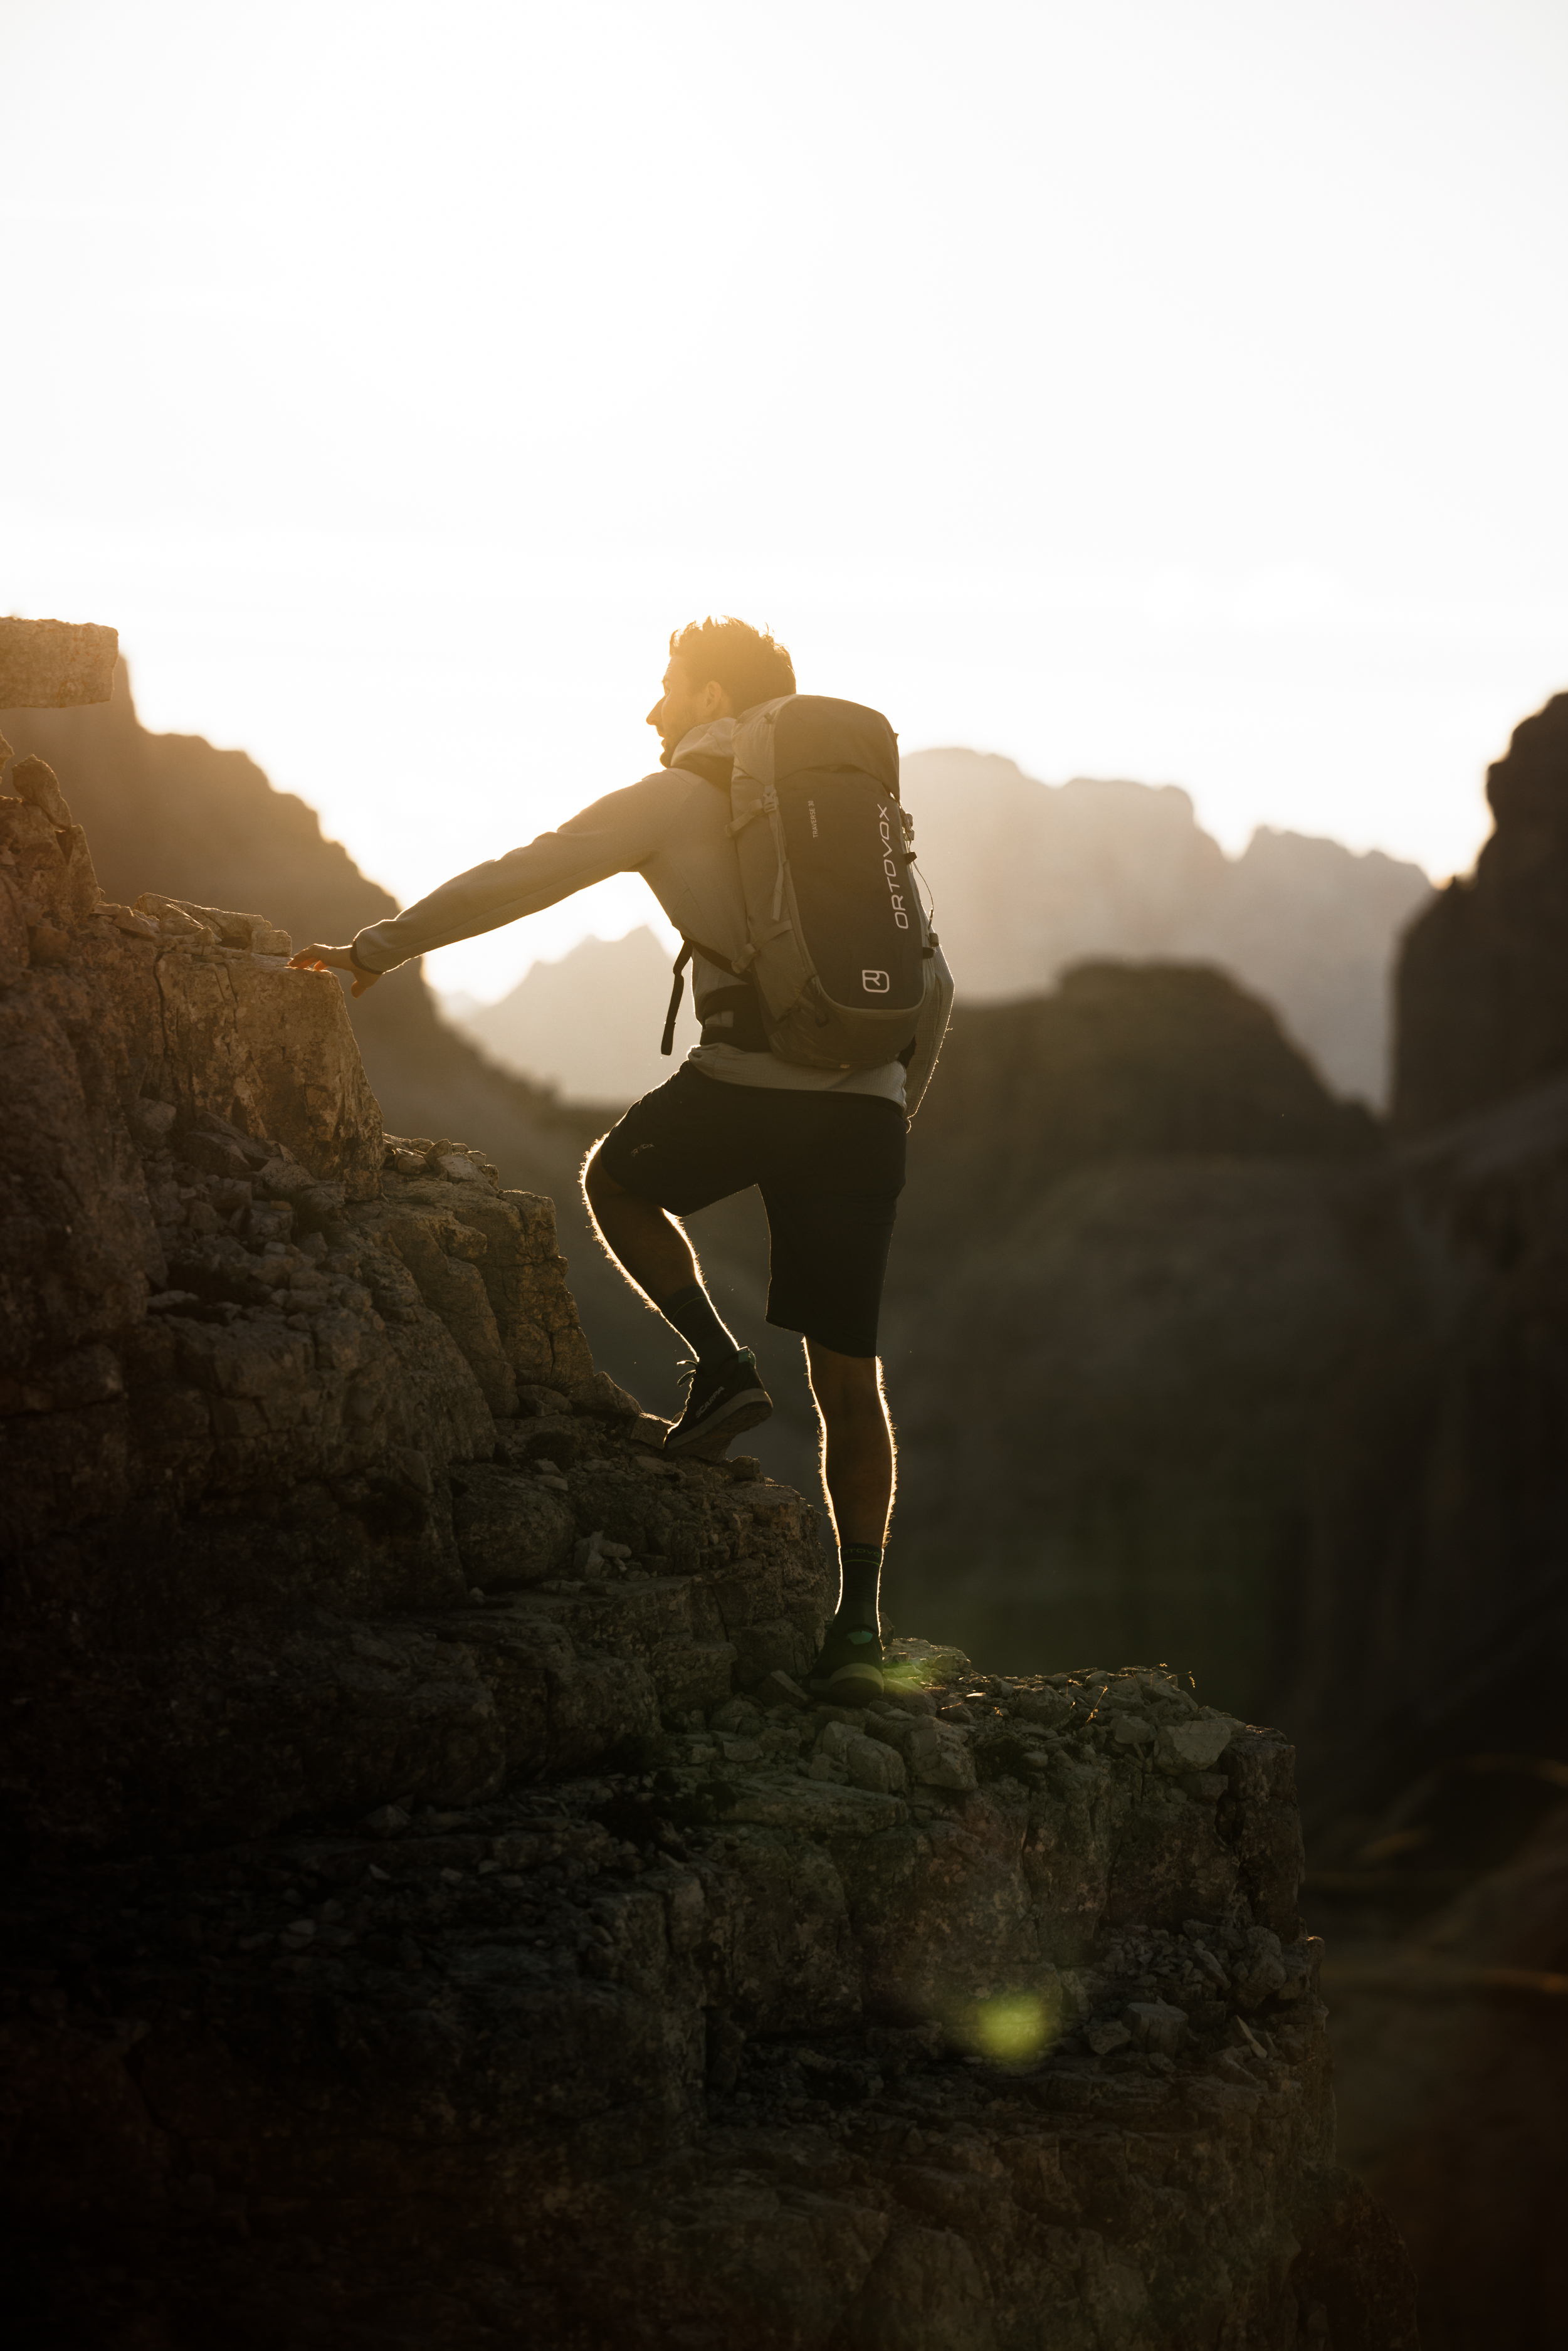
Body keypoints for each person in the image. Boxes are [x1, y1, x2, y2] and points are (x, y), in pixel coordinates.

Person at [288, 617, 952, 1703]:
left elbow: (525, 876)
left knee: (617, 1178)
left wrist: (378, 948)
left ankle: (722, 1366)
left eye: (667, 688)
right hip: (868, 1109)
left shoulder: (675, 798)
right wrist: (881, 1118)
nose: (651, 711)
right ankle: (860, 1629)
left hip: (745, 1084)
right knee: (850, 1380)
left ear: (710, 698)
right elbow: (937, 984)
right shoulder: (855, 820)